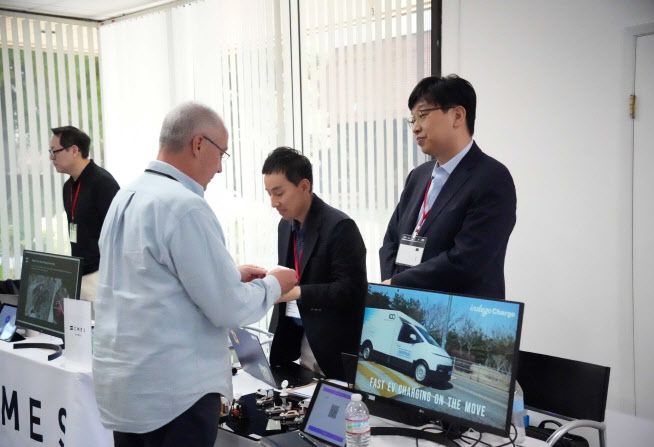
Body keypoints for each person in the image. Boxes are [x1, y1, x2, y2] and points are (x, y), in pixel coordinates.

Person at [93, 103, 297, 447]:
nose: (219, 168)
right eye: (221, 154)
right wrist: (274, 284)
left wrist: (228, 275)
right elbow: (229, 308)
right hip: (174, 396)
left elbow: (146, 277)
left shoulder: (127, 195)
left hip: (129, 391)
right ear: (198, 144)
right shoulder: (184, 206)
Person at [379, 75, 516, 299]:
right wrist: (392, 284)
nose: (415, 128)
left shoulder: (492, 178)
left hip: (461, 313)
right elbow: (391, 240)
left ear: (457, 116)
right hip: (406, 302)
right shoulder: (418, 176)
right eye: (412, 119)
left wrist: (399, 283)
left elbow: (467, 260)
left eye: (423, 115)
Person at [262, 147, 367, 381]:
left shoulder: (340, 227)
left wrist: (299, 292)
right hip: (296, 344)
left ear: (304, 186)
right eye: (269, 194)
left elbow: (351, 290)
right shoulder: (285, 226)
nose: (273, 202)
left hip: (332, 347)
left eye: (279, 193)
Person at [50, 126, 119, 303]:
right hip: (79, 274)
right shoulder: (68, 187)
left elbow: (119, 236)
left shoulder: (103, 183)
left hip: (102, 277)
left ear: (74, 150)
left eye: (55, 151)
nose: (51, 158)